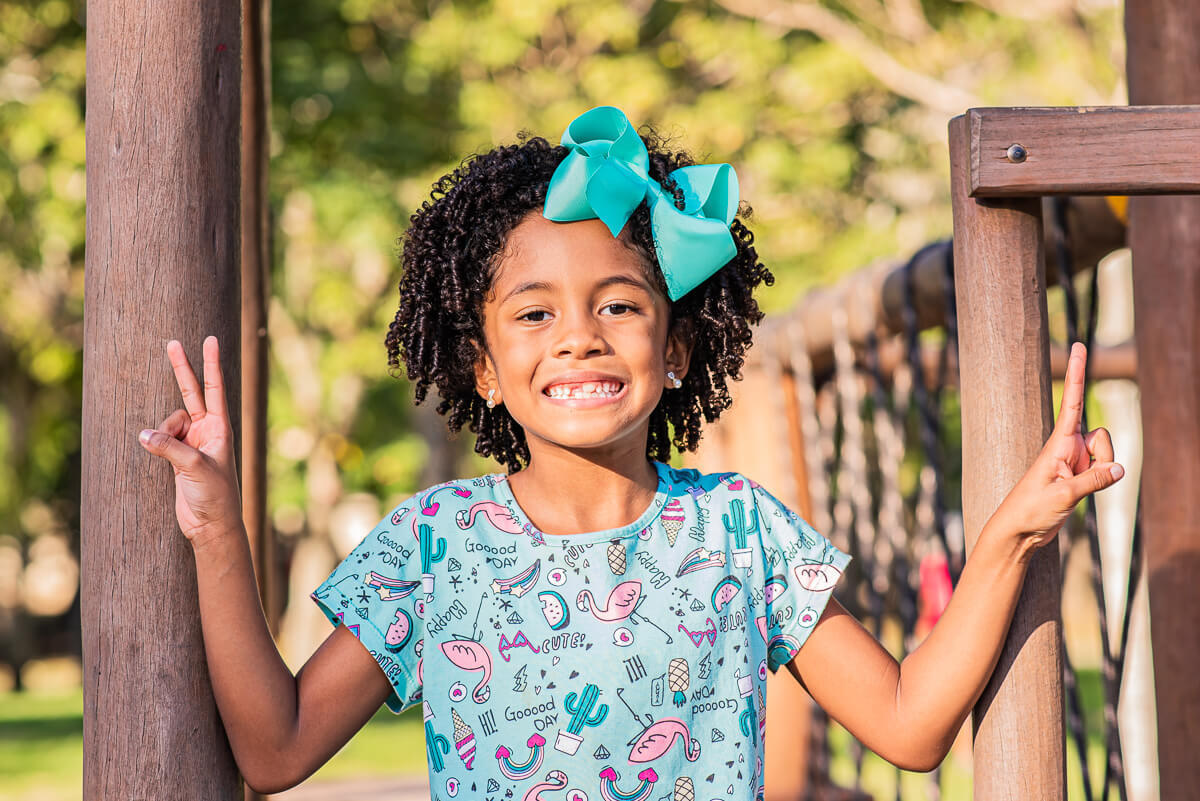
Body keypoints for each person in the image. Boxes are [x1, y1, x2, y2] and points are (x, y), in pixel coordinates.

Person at [137, 106, 1123, 799]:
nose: (579, 336)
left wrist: (1012, 534)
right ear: (480, 367)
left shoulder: (741, 530)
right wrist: (216, 526)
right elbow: (275, 750)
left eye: (619, 303)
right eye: (534, 313)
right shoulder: (432, 546)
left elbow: (909, 728)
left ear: (679, 347)